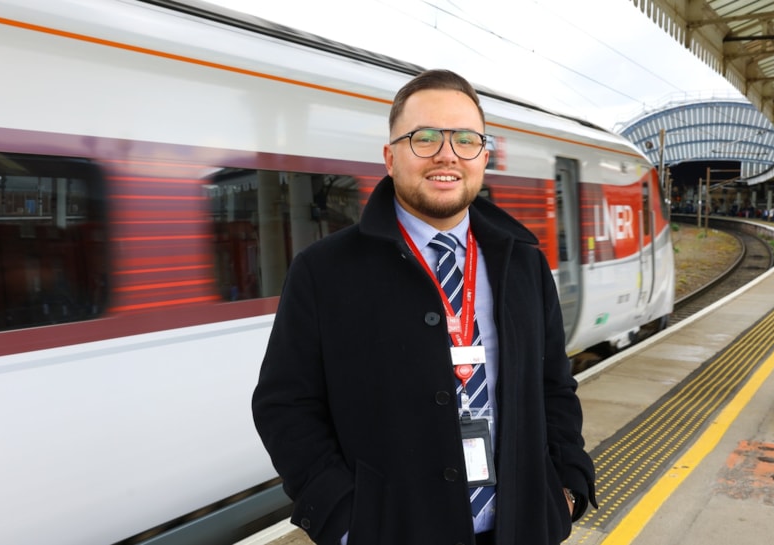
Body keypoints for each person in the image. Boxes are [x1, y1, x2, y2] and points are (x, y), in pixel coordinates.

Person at [252, 69, 596, 545]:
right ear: (390, 158)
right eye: (425, 138)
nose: (447, 154)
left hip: (522, 527)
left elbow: (555, 386)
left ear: (483, 155)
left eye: (465, 139)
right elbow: (283, 405)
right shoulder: (324, 271)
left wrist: (568, 486)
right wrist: (343, 519)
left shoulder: (524, 264)